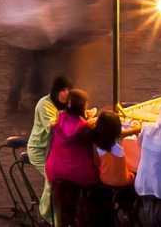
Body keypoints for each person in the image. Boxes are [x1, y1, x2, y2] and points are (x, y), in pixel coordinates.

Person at [44, 88, 99, 226]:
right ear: (82, 107)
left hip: (54, 170)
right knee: (100, 184)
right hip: (77, 173)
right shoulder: (84, 129)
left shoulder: (58, 119)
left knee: (65, 209)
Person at [26, 78, 72, 222]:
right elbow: (54, 127)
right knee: (53, 179)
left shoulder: (66, 104)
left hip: (56, 150)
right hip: (40, 150)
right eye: (62, 90)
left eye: (68, 90)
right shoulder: (45, 105)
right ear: (55, 91)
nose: (66, 93)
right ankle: (47, 215)